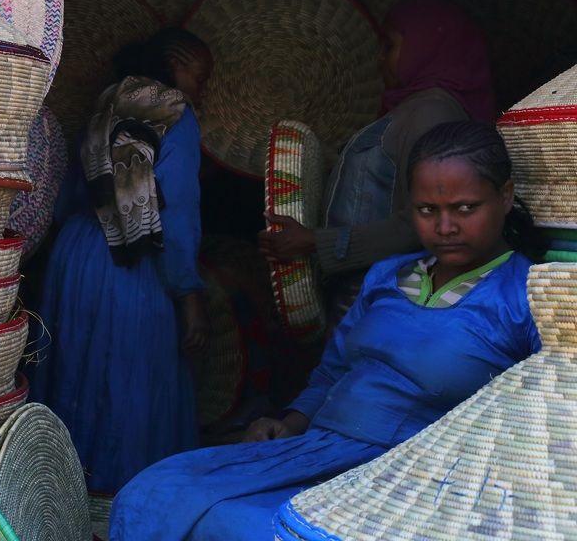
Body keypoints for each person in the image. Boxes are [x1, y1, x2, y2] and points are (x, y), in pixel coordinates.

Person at [109, 121, 541, 540]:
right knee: (153, 489)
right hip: (319, 448)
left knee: (249, 526)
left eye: (465, 209)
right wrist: (290, 423)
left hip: (413, 472)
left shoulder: (527, 296)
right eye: (428, 210)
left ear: (504, 197)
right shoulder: (388, 275)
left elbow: (538, 425)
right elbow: (334, 371)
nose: (445, 227)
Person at [30, 28, 213, 495]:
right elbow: (178, 213)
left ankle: (64, 496)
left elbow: (73, 194)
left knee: (78, 372)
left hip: (76, 256)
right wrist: (188, 292)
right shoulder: (176, 113)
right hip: (128, 261)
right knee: (134, 382)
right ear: (176, 62)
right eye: (200, 75)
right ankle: (123, 504)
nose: (201, 89)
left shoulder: (107, 102)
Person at [259, 0, 496, 326]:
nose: (380, 59)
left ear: (425, 48)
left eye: (390, 46)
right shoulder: (413, 108)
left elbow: (420, 226)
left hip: (378, 301)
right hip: (370, 296)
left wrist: (315, 242)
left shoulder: (431, 113)